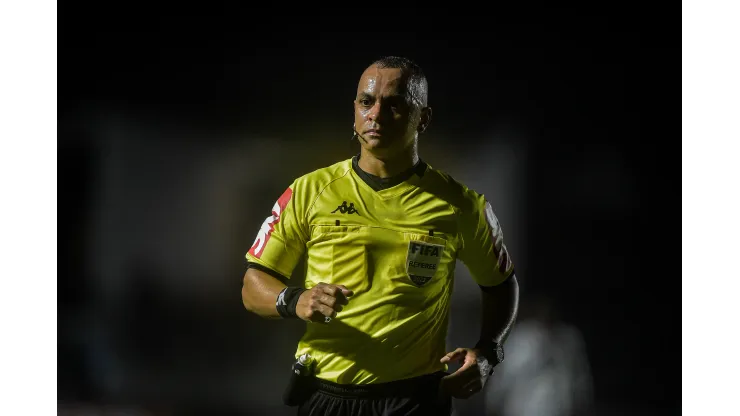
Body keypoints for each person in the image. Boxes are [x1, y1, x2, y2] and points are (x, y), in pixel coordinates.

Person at [241, 56, 520, 416]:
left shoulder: (462, 206)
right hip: (327, 396)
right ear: (354, 111)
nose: (376, 113)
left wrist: (488, 352)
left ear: (424, 118)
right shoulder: (309, 191)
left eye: (395, 104)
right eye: (366, 101)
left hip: (416, 399)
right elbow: (252, 284)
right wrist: (294, 300)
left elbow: (502, 284)